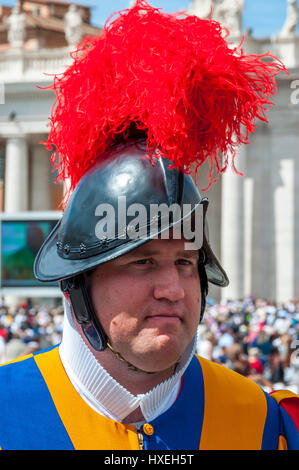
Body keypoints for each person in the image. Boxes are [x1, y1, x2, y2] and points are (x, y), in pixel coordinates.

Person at [0, 1, 298, 451]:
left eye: (185, 261)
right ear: (77, 282)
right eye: (142, 261)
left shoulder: (264, 422)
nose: (173, 289)